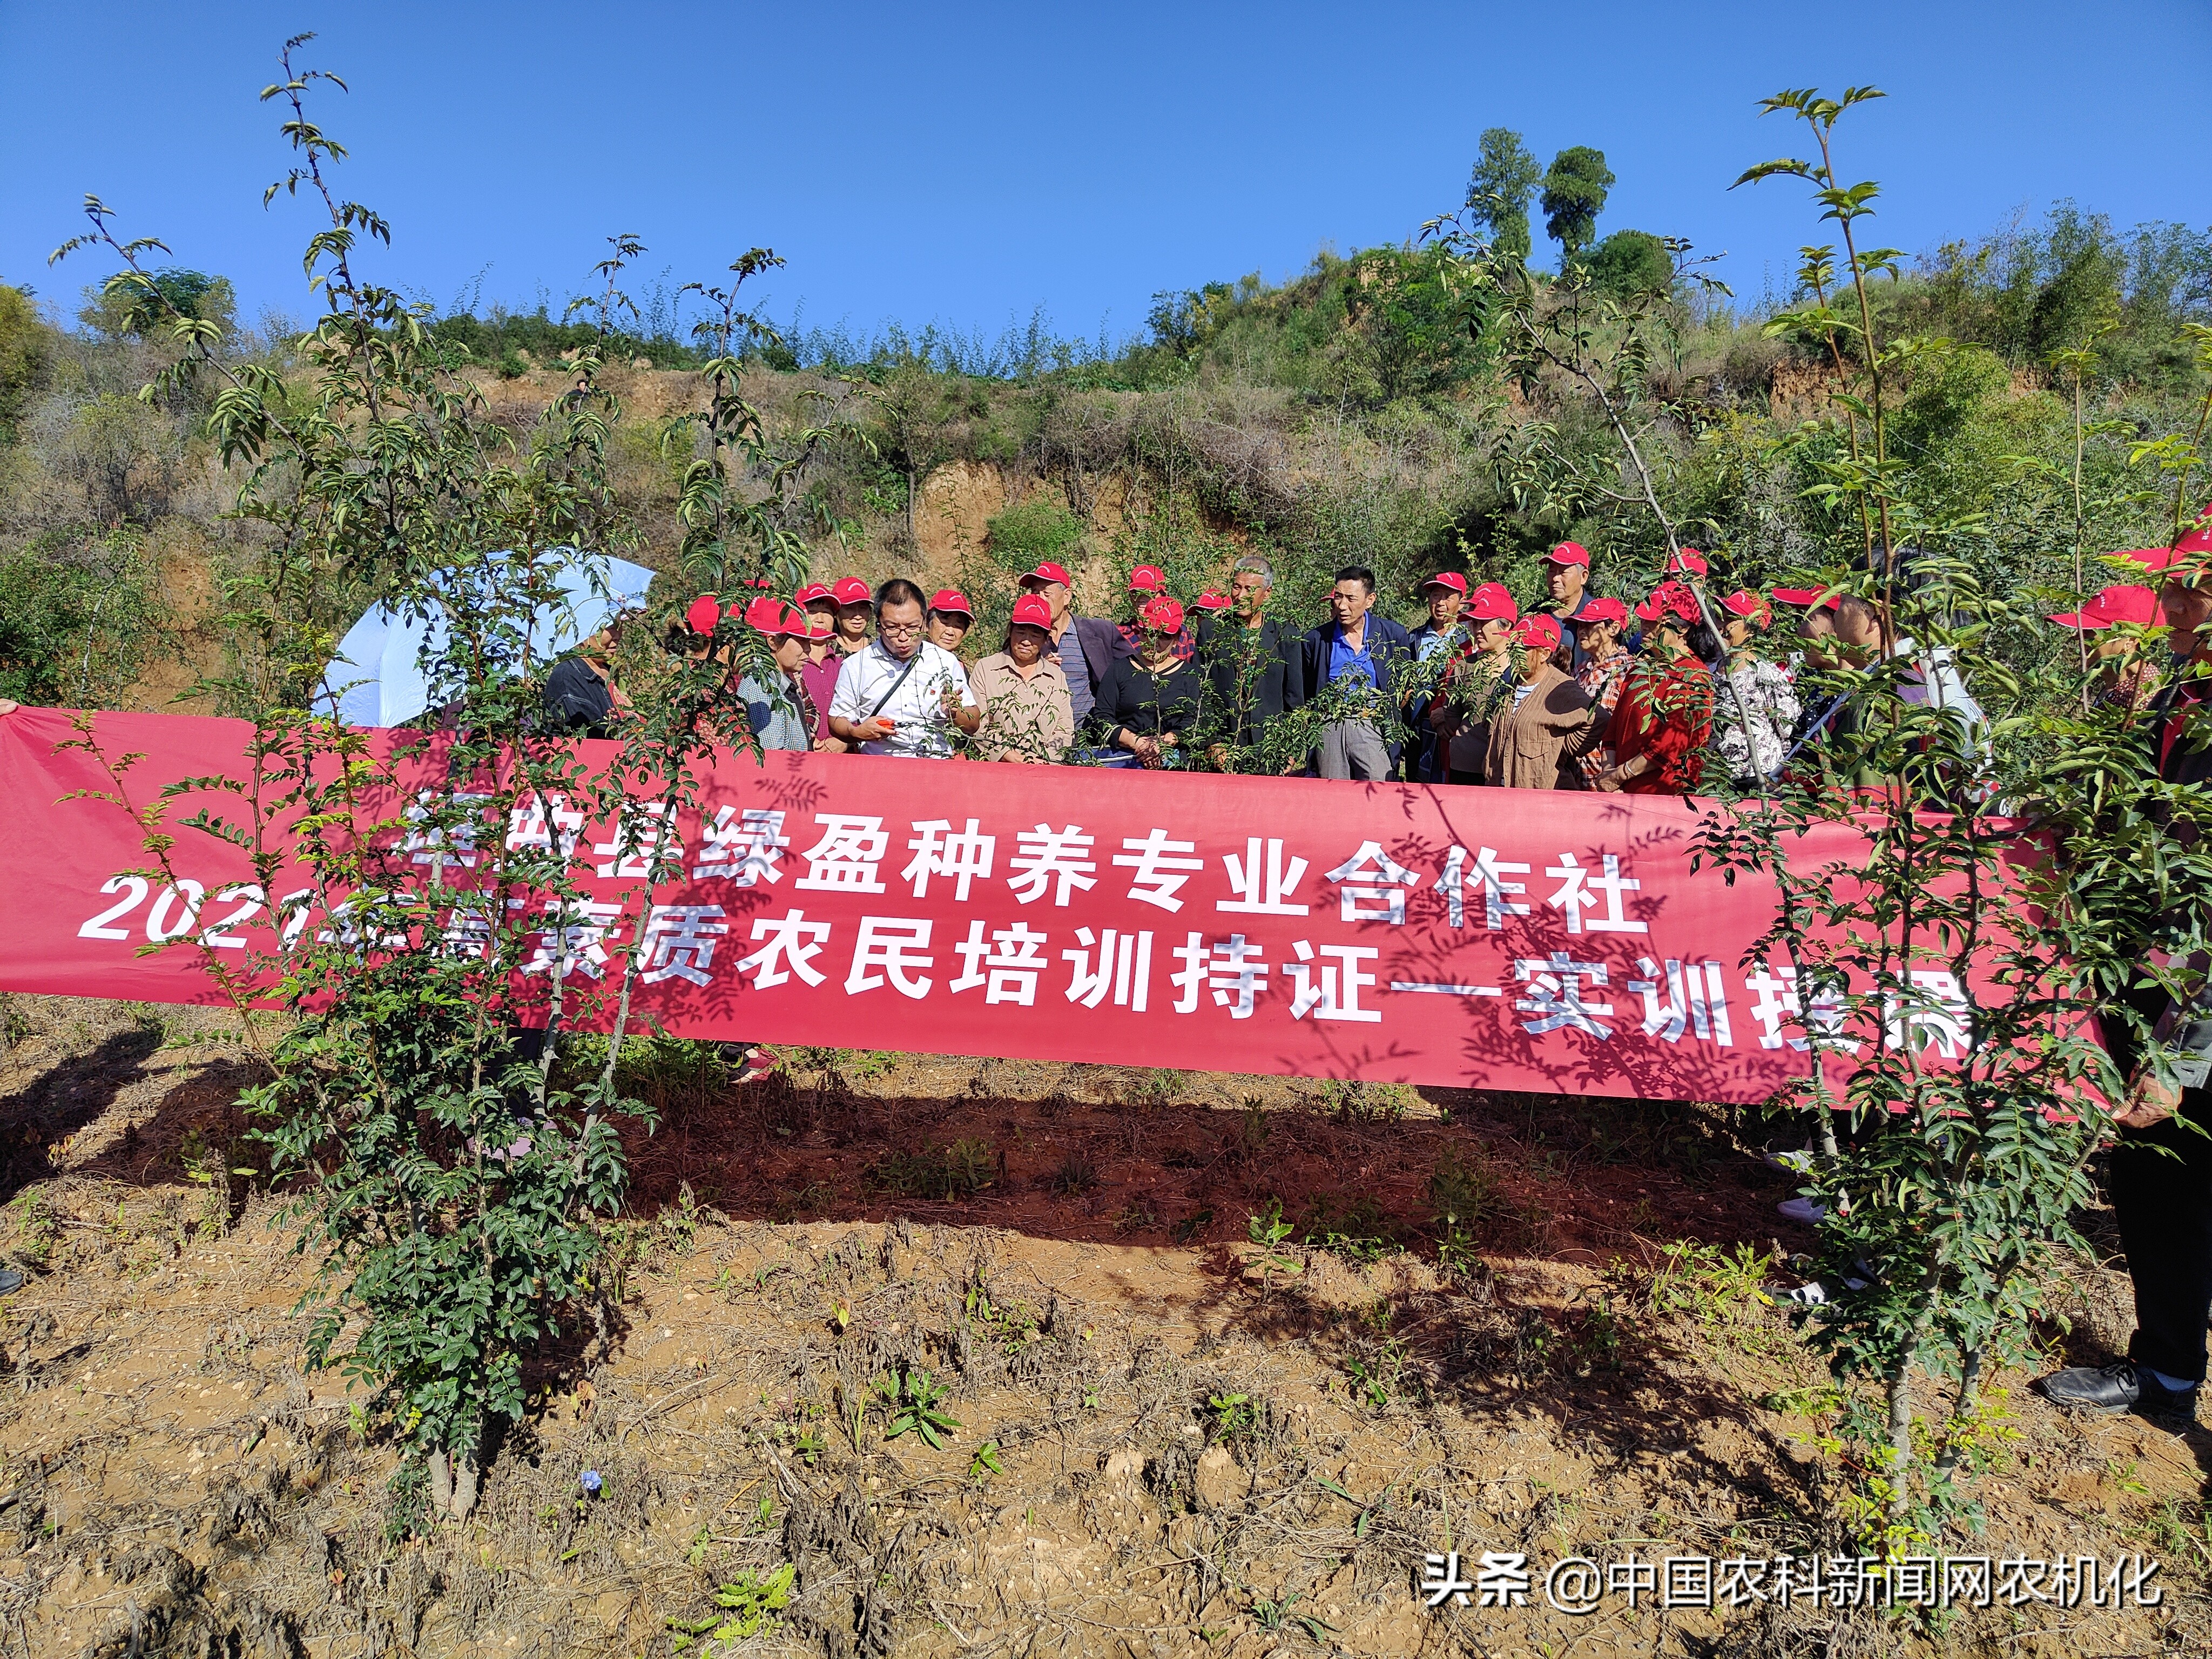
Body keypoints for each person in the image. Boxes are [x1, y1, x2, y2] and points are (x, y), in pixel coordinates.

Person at [2041, 539, 2212, 1417]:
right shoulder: (2174, 710)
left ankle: (2171, 1374)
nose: (2181, 605)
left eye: (2192, 591)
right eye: (2172, 590)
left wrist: (2179, 1057)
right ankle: (2174, 1358)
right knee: (2158, 1185)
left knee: (2164, 1180)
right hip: (2154, 983)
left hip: (2187, 1004)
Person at [827, 578, 980, 757]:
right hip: (880, 767)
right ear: (878, 625)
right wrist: (857, 732)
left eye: (912, 627)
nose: (903, 637)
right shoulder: (856, 665)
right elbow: (837, 720)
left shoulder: (945, 661)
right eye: (892, 628)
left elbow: (973, 723)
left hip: (936, 767)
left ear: (925, 622)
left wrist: (956, 712)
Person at [1596, 582, 1716, 794]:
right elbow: (1613, 733)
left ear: (1683, 629)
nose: (1645, 625)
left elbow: (1670, 744)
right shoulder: (1639, 670)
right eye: (1644, 618)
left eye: (1656, 621)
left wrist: (1619, 775)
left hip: (1664, 798)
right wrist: (1610, 775)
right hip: (1623, 794)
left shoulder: (1694, 677)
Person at [1299, 565, 1415, 780]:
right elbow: (1307, 689)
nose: (1342, 606)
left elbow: (1404, 687)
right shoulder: (1316, 639)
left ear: (1370, 600)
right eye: (1338, 597)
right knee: (1333, 792)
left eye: (1351, 599)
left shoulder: (1393, 635)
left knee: (1379, 787)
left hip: (1374, 724)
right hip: (1330, 725)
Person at [1202, 554, 1304, 772]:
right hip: (1224, 745)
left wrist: (1289, 749)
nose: (1240, 596)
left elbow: (1294, 699)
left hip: (1269, 750)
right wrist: (1212, 742)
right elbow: (1201, 692)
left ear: (1267, 593)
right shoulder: (1213, 631)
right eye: (1237, 587)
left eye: (1250, 589)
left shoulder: (1285, 635)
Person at [1485, 614, 1599, 790]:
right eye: (1513, 645)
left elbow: (1597, 720)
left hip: (1541, 799)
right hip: (1500, 793)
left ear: (1544, 654)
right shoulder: (1509, 682)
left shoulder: (1561, 687)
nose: (1515, 653)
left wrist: (1561, 747)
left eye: (1523, 648)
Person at [1426, 582, 1520, 784]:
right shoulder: (1464, 665)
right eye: (1474, 623)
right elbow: (1451, 715)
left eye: (1484, 623)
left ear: (1507, 626)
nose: (1477, 630)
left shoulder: (1523, 668)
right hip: (1466, 764)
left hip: (1505, 767)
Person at [969, 594, 1076, 763]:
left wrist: (1045, 761)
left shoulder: (1056, 677)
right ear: (1010, 631)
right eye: (1021, 632)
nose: (1026, 641)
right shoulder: (986, 669)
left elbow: (1065, 728)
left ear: (1045, 639)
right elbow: (978, 724)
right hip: (996, 769)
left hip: (1044, 770)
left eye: (1035, 635)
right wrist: (1008, 756)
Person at [1712, 590, 1803, 786]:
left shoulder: (1767, 674)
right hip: (1718, 777)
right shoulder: (1712, 673)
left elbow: (1789, 728)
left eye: (1730, 620)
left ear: (1751, 630)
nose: (1721, 626)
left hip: (1758, 776)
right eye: (1720, 617)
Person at [1102, 596, 1204, 768]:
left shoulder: (1191, 676)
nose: (1154, 641)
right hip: (1124, 761)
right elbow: (1103, 717)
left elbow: (1198, 720)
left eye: (1164, 636)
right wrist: (1138, 744)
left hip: (1173, 764)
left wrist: (1164, 743)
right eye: (1149, 633)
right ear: (1140, 632)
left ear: (1177, 639)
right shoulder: (1119, 670)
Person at [2047, 583, 2162, 716]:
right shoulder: (2116, 687)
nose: (2078, 638)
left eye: (2090, 632)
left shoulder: (2140, 701)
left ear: (2130, 641)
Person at [1014, 559, 1099, 728]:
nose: (1039, 600)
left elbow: (1127, 673)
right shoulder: (1022, 640)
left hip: (1088, 740)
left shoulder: (1096, 633)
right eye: (1035, 593)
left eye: (1046, 593)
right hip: (1037, 739)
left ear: (1066, 596)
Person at [733, 597, 821, 753]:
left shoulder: (779, 682)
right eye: (802, 640)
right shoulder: (761, 687)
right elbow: (772, 755)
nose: (809, 649)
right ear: (773, 642)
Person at [1568, 597, 1633, 787]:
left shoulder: (1630, 672)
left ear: (1613, 629)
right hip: (1575, 777)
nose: (1581, 631)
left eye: (1590, 625)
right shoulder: (1579, 671)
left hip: (1608, 782)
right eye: (1580, 625)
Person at [542, 610, 636, 738]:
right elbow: (594, 734)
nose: (618, 636)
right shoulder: (568, 676)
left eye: (620, 627)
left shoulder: (609, 674)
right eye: (611, 628)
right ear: (585, 632)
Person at [793, 582, 849, 750]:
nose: (820, 618)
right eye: (812, 612)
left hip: (844, 760)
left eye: (826, 612)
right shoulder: (791, 666)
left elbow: (861, 713)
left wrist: (845, 742)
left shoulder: (845, 666)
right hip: (803, 755)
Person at [1539, 542, 1608, 670]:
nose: (1555, 578)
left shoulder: (1600, 619)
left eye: (1563, 572)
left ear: (1583, 577)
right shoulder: (1535, 615)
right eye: (1552, 571)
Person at [830, 576, 875, 658]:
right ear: (836, 613)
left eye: (863, 608)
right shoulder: (827, 651)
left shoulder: (880, 648)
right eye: (849, 609)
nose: (858, 615)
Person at [926, 590, 975, 658]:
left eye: (958, 626)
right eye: (945, 623)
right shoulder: (910, 661)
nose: (950, 632)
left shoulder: (958, 667)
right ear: (927, 624)